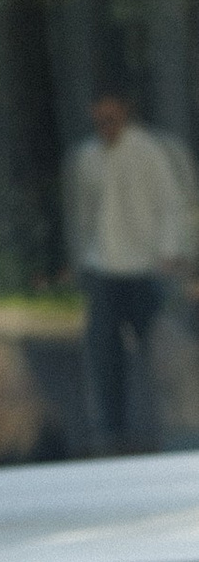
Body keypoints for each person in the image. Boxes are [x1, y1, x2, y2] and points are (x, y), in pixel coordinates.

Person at [66, 89, 199, 448]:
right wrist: (80, 260)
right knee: (105, 354)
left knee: (161, 352)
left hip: (145, 269)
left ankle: (171, 428)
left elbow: (171, 204)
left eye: (111, 118)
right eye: (99, 120)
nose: (106, 126)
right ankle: (113, 431)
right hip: (103, 269)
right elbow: (83, 214)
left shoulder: (149, 151)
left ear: (125, 111)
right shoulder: (88, 156)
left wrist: (170, 252)